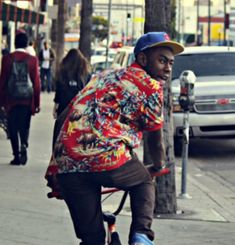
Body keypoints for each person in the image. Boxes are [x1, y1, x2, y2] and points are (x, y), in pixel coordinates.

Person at [45, 32, 184, 245]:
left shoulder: (104, 76)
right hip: (108, 158)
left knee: (91, 238)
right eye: (162, 60)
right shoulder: (150, 86)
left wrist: (57, 165)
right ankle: (141, 236)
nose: (167, 68)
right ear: (143, 59)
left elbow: (64, 116)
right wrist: (158, 165)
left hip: (68, 165)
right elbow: (155, 140)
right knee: (144, 182)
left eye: (171, 63)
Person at [0, 31, 41, 165]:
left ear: (15, 43)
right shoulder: (32, 60)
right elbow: (36, 83)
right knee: (25, 125)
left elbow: (3, 81)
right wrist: (37, 102)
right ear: (26, 44)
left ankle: (16, 156)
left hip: (11, 100)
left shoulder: (7, 59)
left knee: (12, 127)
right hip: (27, 100)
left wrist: (1, 100)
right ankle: (24, 144)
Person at [53, 48, 91, 119]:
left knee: (61, 128)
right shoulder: (85, 74)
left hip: (63, 108)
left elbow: (59, 90)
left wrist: (55, 107)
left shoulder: (63, 73)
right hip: (79, 109)